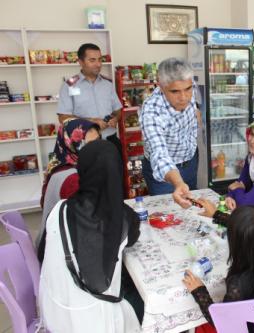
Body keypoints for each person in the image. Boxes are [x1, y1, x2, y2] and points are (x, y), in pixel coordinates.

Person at [39, 140, 141, 333]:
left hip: (55, 309)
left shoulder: (59, 209)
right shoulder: (123, 218)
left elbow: (43, 252)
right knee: (141, 296)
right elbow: (133, 238)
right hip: (98, 321)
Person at [183, 205, 254, 333]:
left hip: (243, 329)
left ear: (237, 243)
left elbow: (221, 322)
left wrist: (199, 291)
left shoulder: (238, 281)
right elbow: (250, 230)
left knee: (199, 326)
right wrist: (217, 215)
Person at [36, 118, 101, 261]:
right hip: (61, 258)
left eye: (98, 142)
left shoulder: (60, 166)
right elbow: (91, 226)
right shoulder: (72, 179)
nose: (97, 149)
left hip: (55, 245)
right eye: (87, 144)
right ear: (71, 144)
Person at [140, 57, 199, 207]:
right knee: (169, 216)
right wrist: (178, 182)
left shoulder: (188, 84)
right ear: (161, 86)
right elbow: (159, 154)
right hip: (166, 174)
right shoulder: (151, 111)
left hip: (190, 160)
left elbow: (195, 105)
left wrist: (196, 112)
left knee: (192, 210)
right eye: (175, 91)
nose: (184, 97)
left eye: (188, 89)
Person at [56, 43, 123, 153]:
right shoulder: (69, 85)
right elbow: (63, 118)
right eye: (92, 60)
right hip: (85, 143)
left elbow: (117, 110)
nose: (98, 64)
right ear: (81, 62)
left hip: (111, 140)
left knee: (116, 170)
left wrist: (115, 118)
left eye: (99, 59)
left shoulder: (108, 84)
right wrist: (91, 122)